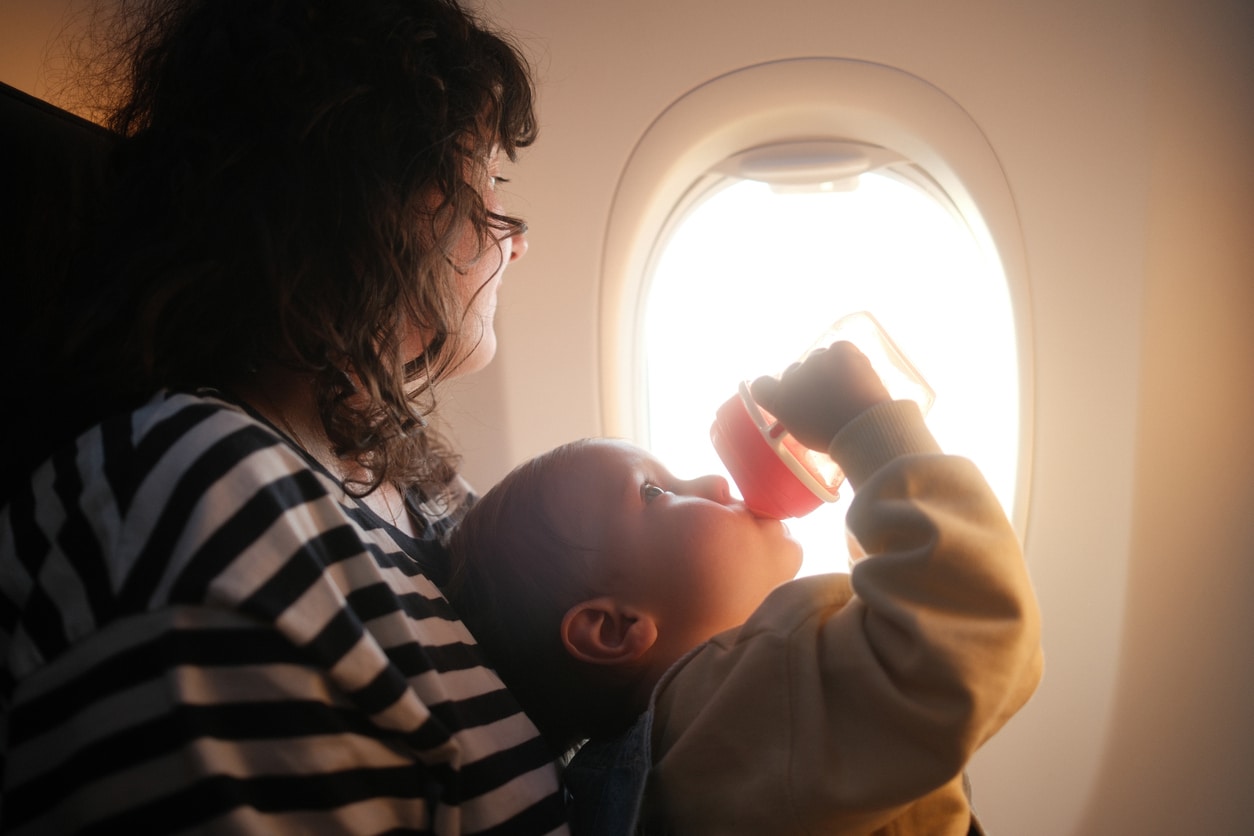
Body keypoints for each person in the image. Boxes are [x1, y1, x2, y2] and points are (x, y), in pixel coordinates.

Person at [0, 1, 571, 833]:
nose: (515, 241)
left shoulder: (411, 478)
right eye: (490, 183)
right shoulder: (205, 494)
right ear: (388, 204)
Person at [445, 341, 1044, 835]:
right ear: (615, 627)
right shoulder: (740, 705)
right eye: (654, 492)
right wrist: (868, 433)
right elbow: (964, 638)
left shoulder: (701, 733)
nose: (709, 479)